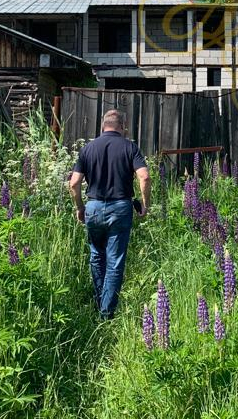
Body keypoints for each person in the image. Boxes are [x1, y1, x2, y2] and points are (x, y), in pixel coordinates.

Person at [68, 108, 150, 319]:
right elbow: (144, 177)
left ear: (103, 125)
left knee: (96, 256)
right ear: (122, 126)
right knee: (114, 261)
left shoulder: (88, 148)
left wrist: (79, 207)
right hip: (120, 208)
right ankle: (106, 313)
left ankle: (100, 303)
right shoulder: (130, 147)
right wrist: (144, 203)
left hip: (93, 207)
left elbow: (74, 183)